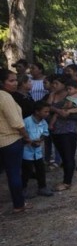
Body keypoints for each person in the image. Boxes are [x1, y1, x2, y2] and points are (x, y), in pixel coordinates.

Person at [0, 69, 33, 213]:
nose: (15, 83)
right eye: (11, 81)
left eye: (15, 80)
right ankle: (19, 205)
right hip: (10, 141)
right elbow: (16, 123)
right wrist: (26, 136)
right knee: (14, 174)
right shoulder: (5, 97)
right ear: (2, 83)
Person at [47, 75, 77, 191]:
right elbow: (47, 107)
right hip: (56, 130)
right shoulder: (53, 95)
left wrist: (68, 111)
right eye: (53, 83)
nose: (54, 85)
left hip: (69, 129)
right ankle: (66, 179)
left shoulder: (73, 97)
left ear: (64, 86)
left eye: (56, 83)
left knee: (68, 155)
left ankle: (67, 182)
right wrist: (59, 110)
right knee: (63, 155)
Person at [22, 100, 54, 197]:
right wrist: (29, 142)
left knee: (40, 170)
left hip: (38, 151)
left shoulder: (44, 122)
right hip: (26, 151)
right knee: (26, 171)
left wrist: (39, 140)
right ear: (37, 111)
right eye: (45, 111)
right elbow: (21, 134)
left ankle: (42, 187)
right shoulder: (26, 121)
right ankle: (22, 190)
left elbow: (45, 134)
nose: (47, 114)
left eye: (48, 112)